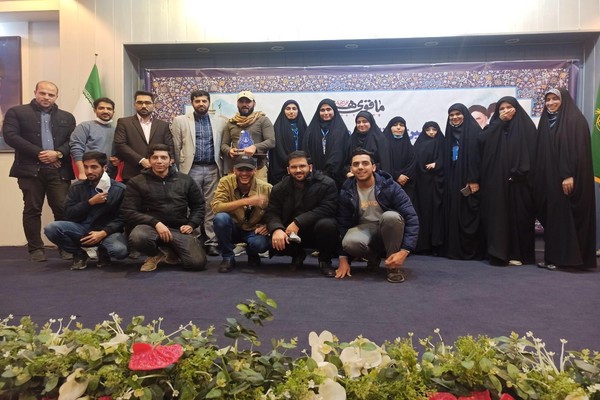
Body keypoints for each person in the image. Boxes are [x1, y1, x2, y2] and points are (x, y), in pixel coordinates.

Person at [3, 81, 76, 262]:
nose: (46, 97)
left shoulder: (67, 117)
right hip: (30, 171)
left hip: (58, 171)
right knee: (32, 209)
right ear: (35, 92)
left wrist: (58, 153)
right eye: (42, 93)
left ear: (56, 97)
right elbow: (10, 136)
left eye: (51, 95)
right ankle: (35, 249)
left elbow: (72, 141)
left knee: (62, 209)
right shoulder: (17, 112)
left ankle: (65, 248)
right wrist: (40, 153)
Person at [533, 88, 596, 270]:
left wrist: (569, 175)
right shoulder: (546, 121)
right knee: (554, 219)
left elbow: (579, 152)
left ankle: (569, 260)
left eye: (555, 99)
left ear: (564, 100)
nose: (550, 103)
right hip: (550, 181)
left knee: (567, 219)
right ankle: (553, 258)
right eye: (548, 100)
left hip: (568, 180)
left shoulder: (575, 120)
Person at [336, 148, 419, 283]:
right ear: (351, 169)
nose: (360, 167)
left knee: (391, 217)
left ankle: (393, 267)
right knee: (349, 243)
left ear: (373, 167)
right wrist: (343, 259)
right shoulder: (347, 190)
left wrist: (405, 251)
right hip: (364, 230)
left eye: (365, 163)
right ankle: (373, 258)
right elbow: (343, 223)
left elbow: (411, 218)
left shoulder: (390, 186)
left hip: (388, 228)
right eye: (356, 164)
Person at [121, 144, 207, 272]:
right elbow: (129, 211)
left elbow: (199, 205)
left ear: (171, 160)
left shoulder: (186, 180)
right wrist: (156, 223)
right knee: (138, 236)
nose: (159, 161)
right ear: (149, 160)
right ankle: (155, 254)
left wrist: (191, 224)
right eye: (155, 157)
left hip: (178, 229)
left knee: (197, 264)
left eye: (163, 157)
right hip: (150, 228)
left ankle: (171, 251)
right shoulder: (136, 182)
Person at [44, 151, 128, 270]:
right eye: (86, 167)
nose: (89, 171)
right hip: (82, 229)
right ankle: (79, 253)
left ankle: (103, 251)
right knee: (51, 228)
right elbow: (68, 213)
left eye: (94, 167)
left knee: (120, 251)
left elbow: (122, 218)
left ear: (104, 167)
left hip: (107, 232)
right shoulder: (76, 187)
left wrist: (103, 233)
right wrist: (90, 202)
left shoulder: (119, 189)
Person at [480, 97, 537, 266]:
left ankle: (520, 254)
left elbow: (533, 153)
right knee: (499, 219)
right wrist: (499, 123)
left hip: (520, 183)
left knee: (520, 219)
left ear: (516, 108)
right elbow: (481, 142)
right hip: (497, 184)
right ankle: (499, 253)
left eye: (509, 107)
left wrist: (519, 172)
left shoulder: (526, 126)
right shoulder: (493, 127)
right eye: (501, 108)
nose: (505, 111)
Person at [265, 150, 339, 277]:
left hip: (316, 231)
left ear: (310, 167)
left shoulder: (327, 184)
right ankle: (297, 254)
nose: (298, 170)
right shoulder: (279, 188)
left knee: (328, 225)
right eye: (294, 167)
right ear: (288, 170)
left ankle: (325, 262)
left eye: (302, 166)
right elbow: (272, 212)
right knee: (273, 238)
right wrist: (277, 229)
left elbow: (327, 208)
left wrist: (298, 222)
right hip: (290, 232)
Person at [171, 89, 225, 256]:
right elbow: (176, 146)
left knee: (211, 205)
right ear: (192, 103)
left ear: (209, 102)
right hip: (191, 168)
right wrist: (178, 169)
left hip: (212, 168)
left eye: (204, 101)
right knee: (191, 204)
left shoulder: (220, 121)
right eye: (197, 101)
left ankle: (211, 241)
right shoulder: (180, 121)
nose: (201, 104)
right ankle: (192, 239)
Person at [211, 155, 272, 273]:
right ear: (234, 170)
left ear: (255, 170)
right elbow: (216, 207)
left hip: (254, 230)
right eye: (240, 169)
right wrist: (246, 201)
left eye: (248, 170)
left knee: (260, 244)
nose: (244, 173)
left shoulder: (266, 188)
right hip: (233, 228)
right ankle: (228, 257)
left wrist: (268, 226)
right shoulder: (225, 182)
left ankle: (252, 252)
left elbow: (276, 212)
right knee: (220, 218)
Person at [441, 103, 485, 260]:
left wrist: (473, 179)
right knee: (454, 210)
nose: (455, 117)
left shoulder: (474, 132)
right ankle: (454, 249)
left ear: (465, 115)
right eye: (451, 115)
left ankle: (470, 250)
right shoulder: (450, 133)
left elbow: (477, 158)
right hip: (453, 177)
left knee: (468, 212)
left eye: (458, 114)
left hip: (469, 179)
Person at [113, 90, 174, 182]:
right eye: (140, 103)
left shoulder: (163, 125)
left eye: (147, 103)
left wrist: (167, 161)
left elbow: (169, 146)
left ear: (153, 105)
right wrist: (141, 160)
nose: (144, 106)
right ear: (135, 104)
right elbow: (120, 145)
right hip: (132, 172)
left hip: (158, 173)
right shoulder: (124, 122)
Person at [220, 91, 275, 181]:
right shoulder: (231, 123)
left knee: (260, 190)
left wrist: (255, 147)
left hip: (258, 169)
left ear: (254, 103)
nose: (244, 104)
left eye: (248, 102)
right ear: (237, 104)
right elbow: (223, 145)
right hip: (236, 169)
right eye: (241, 102)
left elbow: (271, 141)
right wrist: (229, 150)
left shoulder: (263, 120)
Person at [412, 121, 444, 254]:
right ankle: (422, 245)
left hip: (438, 185)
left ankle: (437, 245)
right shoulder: (418, 144)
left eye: (434, 129)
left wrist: (438, 164)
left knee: (438, 213)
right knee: (423, 212)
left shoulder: (443, 143)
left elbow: (449, 160)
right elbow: (414, 162)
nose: (431, 132)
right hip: (422, 186)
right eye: (428, 130)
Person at [303, 98, 350, 189]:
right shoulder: (311, 130)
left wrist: (329, 172)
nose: (325, 113)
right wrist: (316, 173)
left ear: (334, 110)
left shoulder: (341, 130)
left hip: (336, 175)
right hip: (314, 177)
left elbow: (341, 153)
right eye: (322, 110)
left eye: (328, 109)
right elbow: (306, 151)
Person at [70, 97, 120, 180]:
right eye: (101, 108)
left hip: (109, 175)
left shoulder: (116, 130)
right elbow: (76, 149)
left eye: (109, 109)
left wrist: (117, 159)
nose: (105, 111)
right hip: (89, 174)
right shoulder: (84, 126)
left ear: (113, 112)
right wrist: (82, 172)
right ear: (94, 110)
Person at [268, 100, 307, 184]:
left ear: (298, 111)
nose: (291, 111)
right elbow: (277, 149)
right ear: (283, 111)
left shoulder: (304, 127)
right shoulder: (277, 128)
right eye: (288, 109)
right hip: (281, 167)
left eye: (294, 109)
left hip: (301, 165)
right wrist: (288, 161)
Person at [347, 111, 391, 176]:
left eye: (364, 121)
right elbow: (346, 162)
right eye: (358, 122)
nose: (361, 124)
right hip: (354, 176)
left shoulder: (380, 139)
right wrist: (349, 172)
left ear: (371, 122)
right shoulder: (352, 139)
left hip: (376, 176)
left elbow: (385, 163)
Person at [382, 116, 416, 201]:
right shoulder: (382, 145)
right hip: (387, 182)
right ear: (390, 127)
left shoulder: (409, 146)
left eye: (401, 125)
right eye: (395, 125)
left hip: (406, 184)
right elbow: (382, 163)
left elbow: (413, 163)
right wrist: (396, 176)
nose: (398, 127)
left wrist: (404, 177)